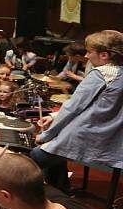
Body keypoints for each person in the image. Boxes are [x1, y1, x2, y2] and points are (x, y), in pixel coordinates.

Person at [33, 30, 123, 190]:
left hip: (86, 136)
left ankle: (47, 197)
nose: (86, 56)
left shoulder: (102, 74)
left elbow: (73, 107)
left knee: (34, 156)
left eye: (89, 52)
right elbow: (98, 105)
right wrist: (54, 116)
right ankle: (60, 188)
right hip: (111, 142)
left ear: (104, 55)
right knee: (55, 150)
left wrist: (46, 135)